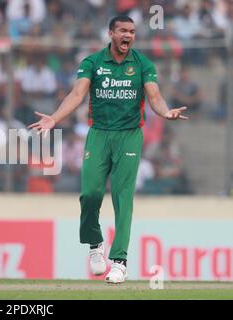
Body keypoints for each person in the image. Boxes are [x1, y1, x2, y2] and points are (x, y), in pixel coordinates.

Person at [29, 16, 188, 284]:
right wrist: (54, 118)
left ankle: (120, 262)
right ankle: (94, 243)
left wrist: (165, 112)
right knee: (90, 194)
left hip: (129, 136)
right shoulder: (92, 63)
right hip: (99, 134)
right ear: (111, 33)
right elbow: (77, 95)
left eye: (132, 32)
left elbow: (155, 97)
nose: (129, 36)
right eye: (123, 31)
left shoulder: (142, 64)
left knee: (122, 197)